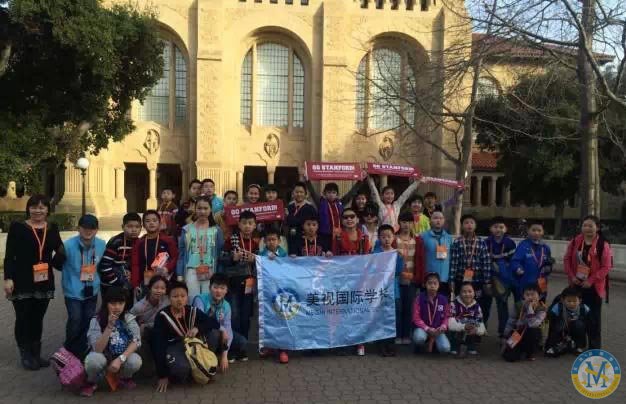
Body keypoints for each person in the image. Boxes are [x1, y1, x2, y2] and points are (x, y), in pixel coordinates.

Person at [3, 195, 65, 370]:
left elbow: (60, 249)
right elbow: (10, 255)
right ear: (28, 209)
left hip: (43, 280)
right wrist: (8, 278)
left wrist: (56, 262)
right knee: (23, 317)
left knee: (37, 318)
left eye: (42, 207)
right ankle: (26, 355)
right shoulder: (18, 227)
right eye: (34, 207)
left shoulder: (52, 228)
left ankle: (36, 354)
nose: (38, 210)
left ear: (47, 210)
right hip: (21, 279)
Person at [152, 281, 224, 393]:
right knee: (183, 368)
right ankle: (178, 375)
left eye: (183, 296)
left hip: (192, 345)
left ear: (187, 297)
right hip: (174, 347)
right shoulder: (162, 316)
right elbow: (158, 346)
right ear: (169, 298)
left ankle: (206, 364)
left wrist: (197, 328)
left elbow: (213, 323)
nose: (179, 300)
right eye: (175, 296)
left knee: (215, 333)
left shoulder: (192, 310)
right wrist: (162, 375)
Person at [81, 286, 142, 397]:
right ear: (106, 304)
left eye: (121, 303)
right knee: (93, 360)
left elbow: (136, 341)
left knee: (135, 361)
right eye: (113, 303)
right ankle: (91, 382)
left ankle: (124, 377)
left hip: (121, 356)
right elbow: (97, 349)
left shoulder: (128, 318)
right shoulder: (97, 319)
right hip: (103, 356)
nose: (117, 307)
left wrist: (120, 359)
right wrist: (109, 326)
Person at [563, 215, 612, 349]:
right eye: (585, 225)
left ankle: (594, 347)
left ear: (598, 228)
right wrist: (572, 276)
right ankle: (578, 344)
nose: (587, 228)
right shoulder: (575, 241)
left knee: (593, 318)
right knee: (576, 316)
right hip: (576, 284)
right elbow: (567, 259)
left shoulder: (603, 244)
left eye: (591, 226)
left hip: (594, 287)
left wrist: (591, 280)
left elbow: (606, 267)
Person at [62, 214, 107, 359]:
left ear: (97, 230)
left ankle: (82, 347)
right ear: (78, 228)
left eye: (92, 228)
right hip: (73, 290)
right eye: (85, 228)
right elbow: (57, 264)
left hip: (92, 290)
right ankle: (69, 348)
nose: (88, 231)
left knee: (88, 319)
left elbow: (103, 265)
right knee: (75, 319)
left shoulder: (101, 244)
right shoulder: (68, 245)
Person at [219, 210, 260, 361]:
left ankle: (242, 348)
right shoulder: (232, 240)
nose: (247, 226)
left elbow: (261, 264)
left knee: (245, 317)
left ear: (255, 225)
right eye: (244, 223)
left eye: (250, 223)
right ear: (239, 224)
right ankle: (231, 348)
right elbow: (221, 258)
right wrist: (232, 257)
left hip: (249, 285)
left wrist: (255, 260)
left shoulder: (255, 243)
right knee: (234, 316)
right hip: (233, 285)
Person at [334, 207, 371, 356]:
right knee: (343, 310)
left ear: (357, 219)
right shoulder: (337, 238)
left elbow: (367, 258)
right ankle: (343, 341)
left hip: (359, 278)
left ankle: (359, 342)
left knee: (358, 310)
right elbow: (334, 258)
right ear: (342, 221)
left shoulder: (364, 238)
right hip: (343, 279)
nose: (349, 219)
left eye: (352, 216)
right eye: (346, 217)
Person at [193, 273, 247, 369]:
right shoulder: (200, 299)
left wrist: (224, 355)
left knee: (242, 341)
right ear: (210, 288)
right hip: (202, 335)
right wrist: (222, 329)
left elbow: (228, 329)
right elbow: (202, 321)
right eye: (215, 287)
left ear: (226, 290)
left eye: (222, 288)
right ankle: (209, 358)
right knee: (215, 333)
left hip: (220, 335)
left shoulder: (226, 305)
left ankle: (221, 353)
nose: (218, 291)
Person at [176, 196, 224, 299]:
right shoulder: (186, 229)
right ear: (195, 209)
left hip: (210, 270)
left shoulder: (216, 230)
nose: (202, 211)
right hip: (191, 270)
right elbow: (181, 253)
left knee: (208, 300)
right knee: (192, 299)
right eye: (199, 208)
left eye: (205, 208)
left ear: (210, 209)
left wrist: (219, 274)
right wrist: (179, 274)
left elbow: (220, 253)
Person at [449, 214, 492, 321]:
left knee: (479, 306)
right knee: (460, 305)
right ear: (462, 226)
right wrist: (452, 280)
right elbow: (454, 262)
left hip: (477, 281)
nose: (469, 225)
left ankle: (480, 326)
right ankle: (461, 325)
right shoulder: (457, 242)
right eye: (466, 223)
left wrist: (487, 281)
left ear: (475, 226)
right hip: (460, 281)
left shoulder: (481, 242)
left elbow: (486, 262)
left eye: (471, 223)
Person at [306, 179, 363, 252]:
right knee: (326, 254)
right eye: (329, 192)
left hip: (339, 235)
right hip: (325, 235)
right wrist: (307, 180)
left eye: (334, 192)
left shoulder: (340, 203)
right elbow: (312, 193)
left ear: (337, 194)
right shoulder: (320, 202)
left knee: (338, 253)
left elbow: (351, 194)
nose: (331, 195)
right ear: (324, 193)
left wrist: (360, 181)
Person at [130, 210, 178, 298]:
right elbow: (135, 265)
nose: (151, 223)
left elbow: (175, 257)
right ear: (143, 225)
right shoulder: (139, 243)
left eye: (154, 220)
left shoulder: (168, 240)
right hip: (145, 282)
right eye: (148, 221)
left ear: (160, 223)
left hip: (164, 281)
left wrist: (167, 268)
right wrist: (135, 284)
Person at [98, 212, 142, 307]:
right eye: (130, 226)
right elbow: (104, 265)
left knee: (127, 308)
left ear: (141, 228)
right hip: (111, 284)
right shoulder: (116, 242)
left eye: (137, 227)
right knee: (111, 310)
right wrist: (116, 282)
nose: (134, 230)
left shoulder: (139, 242)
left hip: (127, 283)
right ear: (123, 227)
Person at [372, 225, 403, 356]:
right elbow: (372, 271)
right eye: (383, 236)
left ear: (393, 237)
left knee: (394, 317)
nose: (386, 239)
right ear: (379, 238)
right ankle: (381, 344)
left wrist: (400, 258)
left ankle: (391, 343)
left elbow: (398, 271)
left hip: (394, 291)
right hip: (380, 291)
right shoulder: (375, 253)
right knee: (380, 318)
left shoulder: (396, 253)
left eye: (389, 236)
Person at [485, 216, 517, 337]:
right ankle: (480, 329)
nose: (498, 229)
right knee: (485, 305)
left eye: (501, 227)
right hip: (488, 278)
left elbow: (513, 261)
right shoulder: (486, 242)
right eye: (495, 227)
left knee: (502, 305)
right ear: (490, 228)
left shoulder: (510, 243)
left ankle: (503, 331)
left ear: (505, 229)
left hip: (503, 279)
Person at [396, 212, 425, 345]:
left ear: (413, 223)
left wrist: (420, 279)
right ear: (399, 223)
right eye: (403, 222)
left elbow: (421, 261)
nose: (406, 225)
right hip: (396, 280)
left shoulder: (417, 240)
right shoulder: (394, 239)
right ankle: (397, 335)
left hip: (411, 280)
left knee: (409, 308)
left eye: (409, 222)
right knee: (398, 309)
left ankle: (406, 335)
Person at [510, 220, 553, 303]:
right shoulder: (523, 245)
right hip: (527, 281)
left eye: (539, 230)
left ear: (543, 232)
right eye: (533, 230)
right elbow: (515, 260)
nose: (536, 233)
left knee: (540, 304)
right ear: (528, 231)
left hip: (541, 282)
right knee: (526, 305)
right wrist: (518, 268)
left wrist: (549, 268)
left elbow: (548, 262)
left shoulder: (545, 247)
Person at [501, 283, 546, 362]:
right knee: (510, 357)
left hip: (533, 333)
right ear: (523, 296)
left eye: (533, 294)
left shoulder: (542, 308)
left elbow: (533, 324)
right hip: (518, 332)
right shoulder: (518, 305)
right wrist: (505, 336)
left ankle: (530, 352)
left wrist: (530, 309)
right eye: (527, 295)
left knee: (532, 331)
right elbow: (511, 321)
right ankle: (519, 350)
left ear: (539, 296)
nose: (530, 297)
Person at [545, 287, 591, 357]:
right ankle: (557, 344)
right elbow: (550, 322)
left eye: (574, 301)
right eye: (569, 301)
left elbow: (590, 323)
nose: (572, 303)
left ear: (580, 300)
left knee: (579, 325)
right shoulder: (558, 307)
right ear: (562, 300)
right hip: (562, 327)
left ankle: (579, 346)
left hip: (577, 328)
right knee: (557, 325)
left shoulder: (584, 308)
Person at [412, 272, 451, 354]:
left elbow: (447, 316)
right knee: (419, 338)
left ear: (439, 285)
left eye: (435, 283)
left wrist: (443, 326)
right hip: (423, 329)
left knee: (445, 348)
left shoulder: (443, 299)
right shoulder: (419, 298)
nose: (432, 286)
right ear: (425, 285)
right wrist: (427, 328)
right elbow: (416, 318)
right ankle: (419, 345)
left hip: (437, 330)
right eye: (429, 283)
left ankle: (434, 345)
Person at [419, 210, 453, 296]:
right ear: (430, 221)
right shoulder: (423, 237)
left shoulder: (449, 238)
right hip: (429, 280)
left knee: (443, 303)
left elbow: (451, 259)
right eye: (435, 218)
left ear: (444, 220)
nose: (438, 220)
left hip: (444, 280)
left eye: (441, 218)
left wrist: (451, 278)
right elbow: (420, 258)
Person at [448, 282, 486, 358]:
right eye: (464, 292)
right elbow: (449, 323)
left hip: (470, 330)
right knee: (453, 329)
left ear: (474, 293)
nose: (467, 294)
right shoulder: (453, 304)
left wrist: (476, 329)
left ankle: (470, 347)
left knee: (476, 329)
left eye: (470, 291)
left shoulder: (477, 306)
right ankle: (454, 346)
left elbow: (481, 323)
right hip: (458, 329)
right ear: (460, 293)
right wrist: (464, 326)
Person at [285, 182, 317, 254]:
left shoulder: (310, 208)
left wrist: (289, 216)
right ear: (293, 193)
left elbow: (301, 222)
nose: (299, 194)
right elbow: (287, 223)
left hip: (304, 240)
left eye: (301, 192)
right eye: (296, 192)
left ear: (306, 194)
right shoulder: (289, 207)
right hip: (291, 239)